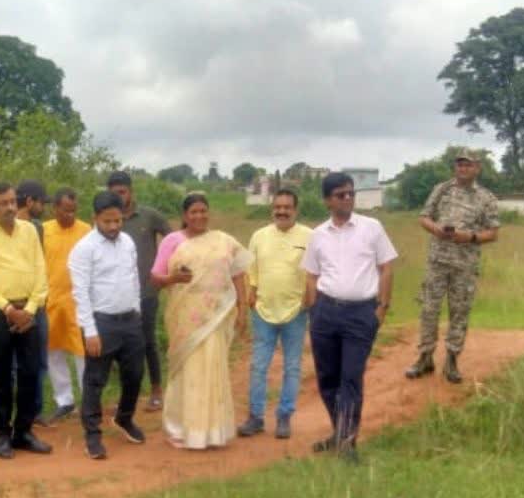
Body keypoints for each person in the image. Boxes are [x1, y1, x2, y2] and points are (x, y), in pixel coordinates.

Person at [302, 172, 397, 463]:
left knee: (350, 379)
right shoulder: (317, 235)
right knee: (327, 379)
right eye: (341, 194)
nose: (348, 199)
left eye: (351, 194)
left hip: (360, 313)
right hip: (326, 312)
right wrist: (313, 310)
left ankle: (347, 443)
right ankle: (339, 431)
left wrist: (381, 308)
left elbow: (387, 267)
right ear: (327, 200)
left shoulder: (372, 228)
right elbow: (311, 275)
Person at [150, 193, 252, 449]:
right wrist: (174, 279)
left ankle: (212, 432)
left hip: (215, 318)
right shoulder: (172, 241)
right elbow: (155, 277)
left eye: (203, 211)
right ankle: (180, 429)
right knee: (186, 371)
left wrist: (242, 308)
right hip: (184, 318)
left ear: (209, 213)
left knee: (212, 369)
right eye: (193, 212)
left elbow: (238, 273)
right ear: (184, 216)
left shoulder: (222, 241)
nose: (199, 216)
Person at [0, 182, 53, 459]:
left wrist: (29, 309)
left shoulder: (29, 230)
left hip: (31, 311)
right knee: (3, 375)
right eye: (3, 203)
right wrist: (9, 309)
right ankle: (3, 435)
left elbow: (41, 271)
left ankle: (24, 432)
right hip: (0, 313)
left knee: (31, 373)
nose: (10, 207)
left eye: (12, 202)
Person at [405, 149, 500, 384]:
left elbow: (493, 232)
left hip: (464, 265)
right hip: (437, 261)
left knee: (459, 312)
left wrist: (470, 237)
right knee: (429, 310)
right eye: (459, 165)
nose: (463, 169)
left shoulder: (486, 198)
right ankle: (425, 357)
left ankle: (452, 360)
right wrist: (435, 228)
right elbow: (423, 216)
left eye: (468, 165)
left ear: (477, 168)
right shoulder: (442, 189)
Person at [68, 191, 147, 459]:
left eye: (117, 221)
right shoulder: (84, 249)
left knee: (135, 374)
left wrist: (136, 311)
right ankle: (92, 434)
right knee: (95, 380)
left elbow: (133, 278)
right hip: (102, 323)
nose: (113, 227)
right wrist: (90, 331)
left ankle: (124, 418)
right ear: (95, 218)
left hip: (130, 320)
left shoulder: (127, 242)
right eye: (107, 222)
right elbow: (80, 292)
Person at [239, 189, 312, 440]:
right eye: (277, 207)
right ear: (272, 209)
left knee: (292, 367)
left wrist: (309, 298)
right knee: (258, 366)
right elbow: (252, 267)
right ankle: (256, 417)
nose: (281, 211)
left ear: (296, 210)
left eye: (287, 207)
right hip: (263, 309)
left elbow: (315, 270)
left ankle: (284, 417)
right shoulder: (259, 236)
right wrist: (252, 290)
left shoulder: (309, 236)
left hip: (296, 311)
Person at [110, 171, 173, 411]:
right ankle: (127, 397)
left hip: (147, 291)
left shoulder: (148, 216)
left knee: (147, 341)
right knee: (121, 346)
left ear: (130, 192)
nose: (118, 197)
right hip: (119, 294)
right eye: (114, 193)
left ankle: (157, 390)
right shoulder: (109, 220)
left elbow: (174, 240)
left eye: (122, 192)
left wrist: (164, 273)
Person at [42, 188, 91, 421]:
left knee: (82, 352)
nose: (70, 215)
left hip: (78, 302)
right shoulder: (43, 231)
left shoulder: (86, 231)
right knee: (53, 351)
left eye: (73, 210)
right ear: (55, 208)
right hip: (50, 300)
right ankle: (64, 401)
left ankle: (88, 401)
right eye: (65, 210)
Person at [15, 179, 53, 425]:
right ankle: (15, 411)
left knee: (39, 358)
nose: (44, 208)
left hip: (37, 300)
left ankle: (34, 410)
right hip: (14, 302)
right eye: (41, 202)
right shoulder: (6, 229)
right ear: (30, 201)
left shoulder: (37, 228)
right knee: (14, 362)